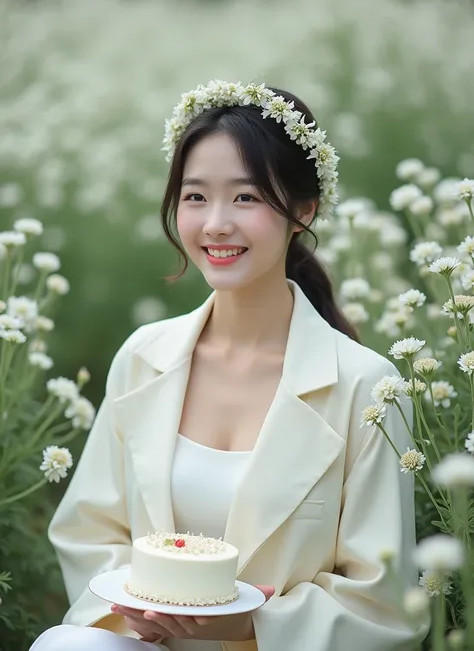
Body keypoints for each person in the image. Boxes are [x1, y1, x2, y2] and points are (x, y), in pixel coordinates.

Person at [30, 81, 428, 651]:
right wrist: (130, 609)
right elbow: (92, 531)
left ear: (303, 210)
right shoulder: (144, 356)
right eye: (195, 197)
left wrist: (251, 625)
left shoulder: (369, 387)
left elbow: (382, 602)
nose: (216, 223)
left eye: (245, 198)